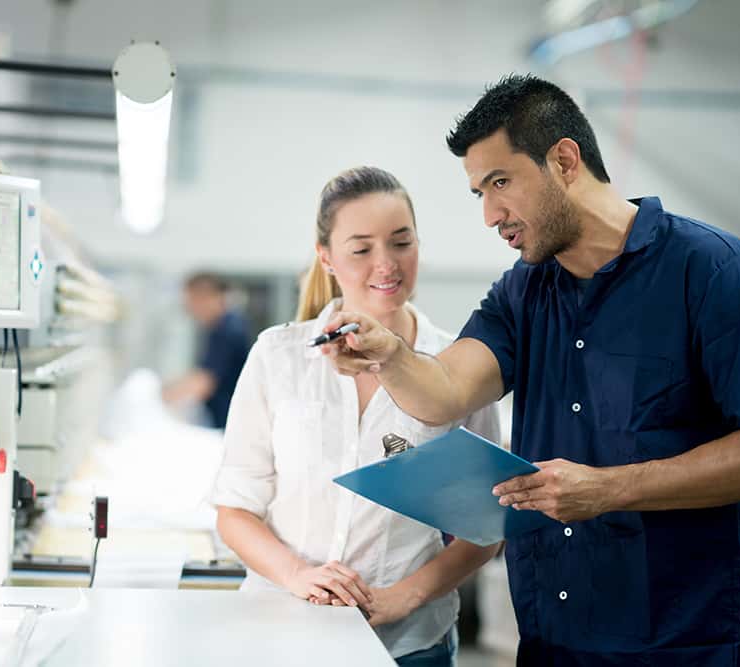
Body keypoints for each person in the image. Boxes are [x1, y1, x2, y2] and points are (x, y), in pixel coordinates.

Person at [320, 76, 740, 665]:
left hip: (683, 643)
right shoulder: (524, 291)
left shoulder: (716, 272)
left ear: (564, 160)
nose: (489, 214)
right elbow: (445, 390)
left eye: (500, 183)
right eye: (479, 191)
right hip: (554, 640)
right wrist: (392, 355)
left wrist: (609, 489)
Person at [212, 166, 502, 665]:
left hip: (410, 647)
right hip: (281, 636)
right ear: (326, 257)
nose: (385, 264)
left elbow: (484, 526)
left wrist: (403, 597)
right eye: (361, 248)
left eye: (401, 242)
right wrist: (297, 575)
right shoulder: (279, 356)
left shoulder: (462, 362)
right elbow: (235, 510)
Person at [162, 272, 250, 429]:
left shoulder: (227, 329)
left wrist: (161, 397)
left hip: (228, 419)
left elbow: (205, 381)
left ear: (206, 298)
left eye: (191, 301)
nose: (189, 309)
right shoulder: (219, 326)